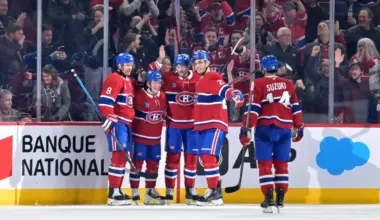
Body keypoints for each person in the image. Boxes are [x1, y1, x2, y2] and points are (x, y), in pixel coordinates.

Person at [239, 55, 304, 213]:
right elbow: (295, 107)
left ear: (262, 68)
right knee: (282, 164)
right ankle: (280, 198)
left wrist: (246, 128)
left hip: (265, 127)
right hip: (284, 128)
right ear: (276, 68)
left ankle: (268, 198)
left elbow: (253, 108)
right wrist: (299, 127)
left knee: (265, 164)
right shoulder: (288, 83)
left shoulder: (258, 83)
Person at [192, 50, 244, 205]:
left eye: (201, 62)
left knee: (208, 157)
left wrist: (235, 95)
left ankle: (214, 191)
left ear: (208, 63)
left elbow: (225, 90)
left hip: (214, 124)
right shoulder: (201, 80)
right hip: (203, 125)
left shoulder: (211, 77)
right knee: (207, 158)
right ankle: (215, 191)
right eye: (196, 63)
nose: (198, 65)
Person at [162, 54, 202, 205]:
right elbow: (147, 79)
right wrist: (160, 60)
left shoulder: (198, 80)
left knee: (191, 160)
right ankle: (169, 191)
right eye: (178, 66)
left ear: (188, 66)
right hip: (174, 126)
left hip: (192, 127)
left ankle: (190, 191)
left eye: (183, 66)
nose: (180, 69)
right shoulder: (167, 77)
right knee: (172, 160)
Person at [98, 53, 136, 206]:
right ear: (119, 66)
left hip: (126, 125)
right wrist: (110, 119)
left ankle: (117, 190)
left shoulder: (128, 80)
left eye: (130, 65)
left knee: (121, 158)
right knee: (118, 158)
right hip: (119, 124)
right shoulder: (115, 78)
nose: (129, 67)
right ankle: (113, 193)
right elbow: (105, 103)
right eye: (126, 65)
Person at [129, 70, 167, 205]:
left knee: (153, 166)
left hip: (155, 140)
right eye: (154, 82)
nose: (157, 85)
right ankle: (134, 191)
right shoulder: (138, 95)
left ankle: (150, 192)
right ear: (148, 83)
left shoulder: (163, 95)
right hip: (139, 139)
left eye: (159, 82)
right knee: (137, 165)